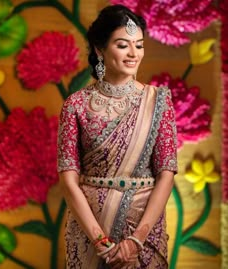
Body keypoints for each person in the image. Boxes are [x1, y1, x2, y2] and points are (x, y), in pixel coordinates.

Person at [57, 4, 177, 269]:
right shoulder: (76, 105)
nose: (134, 53)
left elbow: (166, 174)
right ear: (100, 49)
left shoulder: (158, 101)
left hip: (144, 233)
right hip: (90, 232)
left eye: (140, 45)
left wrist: (136, 240)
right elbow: (68, 179)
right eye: (123, 45)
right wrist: (100, 242)